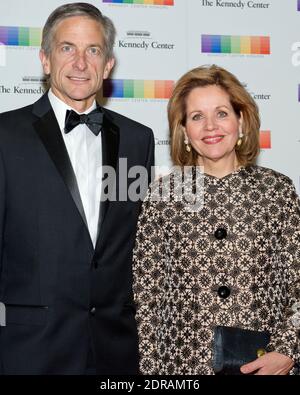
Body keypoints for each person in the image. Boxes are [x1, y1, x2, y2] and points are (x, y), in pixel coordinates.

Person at [0, 2, 154, 374]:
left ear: (108, 65)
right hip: (29, 349)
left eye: (93, 50)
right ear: (46, 60)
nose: (81, 63)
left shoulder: (138, 139)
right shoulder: (5, 136)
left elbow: (138, 246)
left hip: (114, 350)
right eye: (67, 48)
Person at [132, 65, 300, 375]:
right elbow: (147, 299)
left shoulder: (277, 190)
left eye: (222, 113)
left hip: (265, 365)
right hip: (183, 368)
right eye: (197, 116)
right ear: (183, 130)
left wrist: (288, 350)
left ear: (241, 119)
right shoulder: (163, 195)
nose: (211, 126)